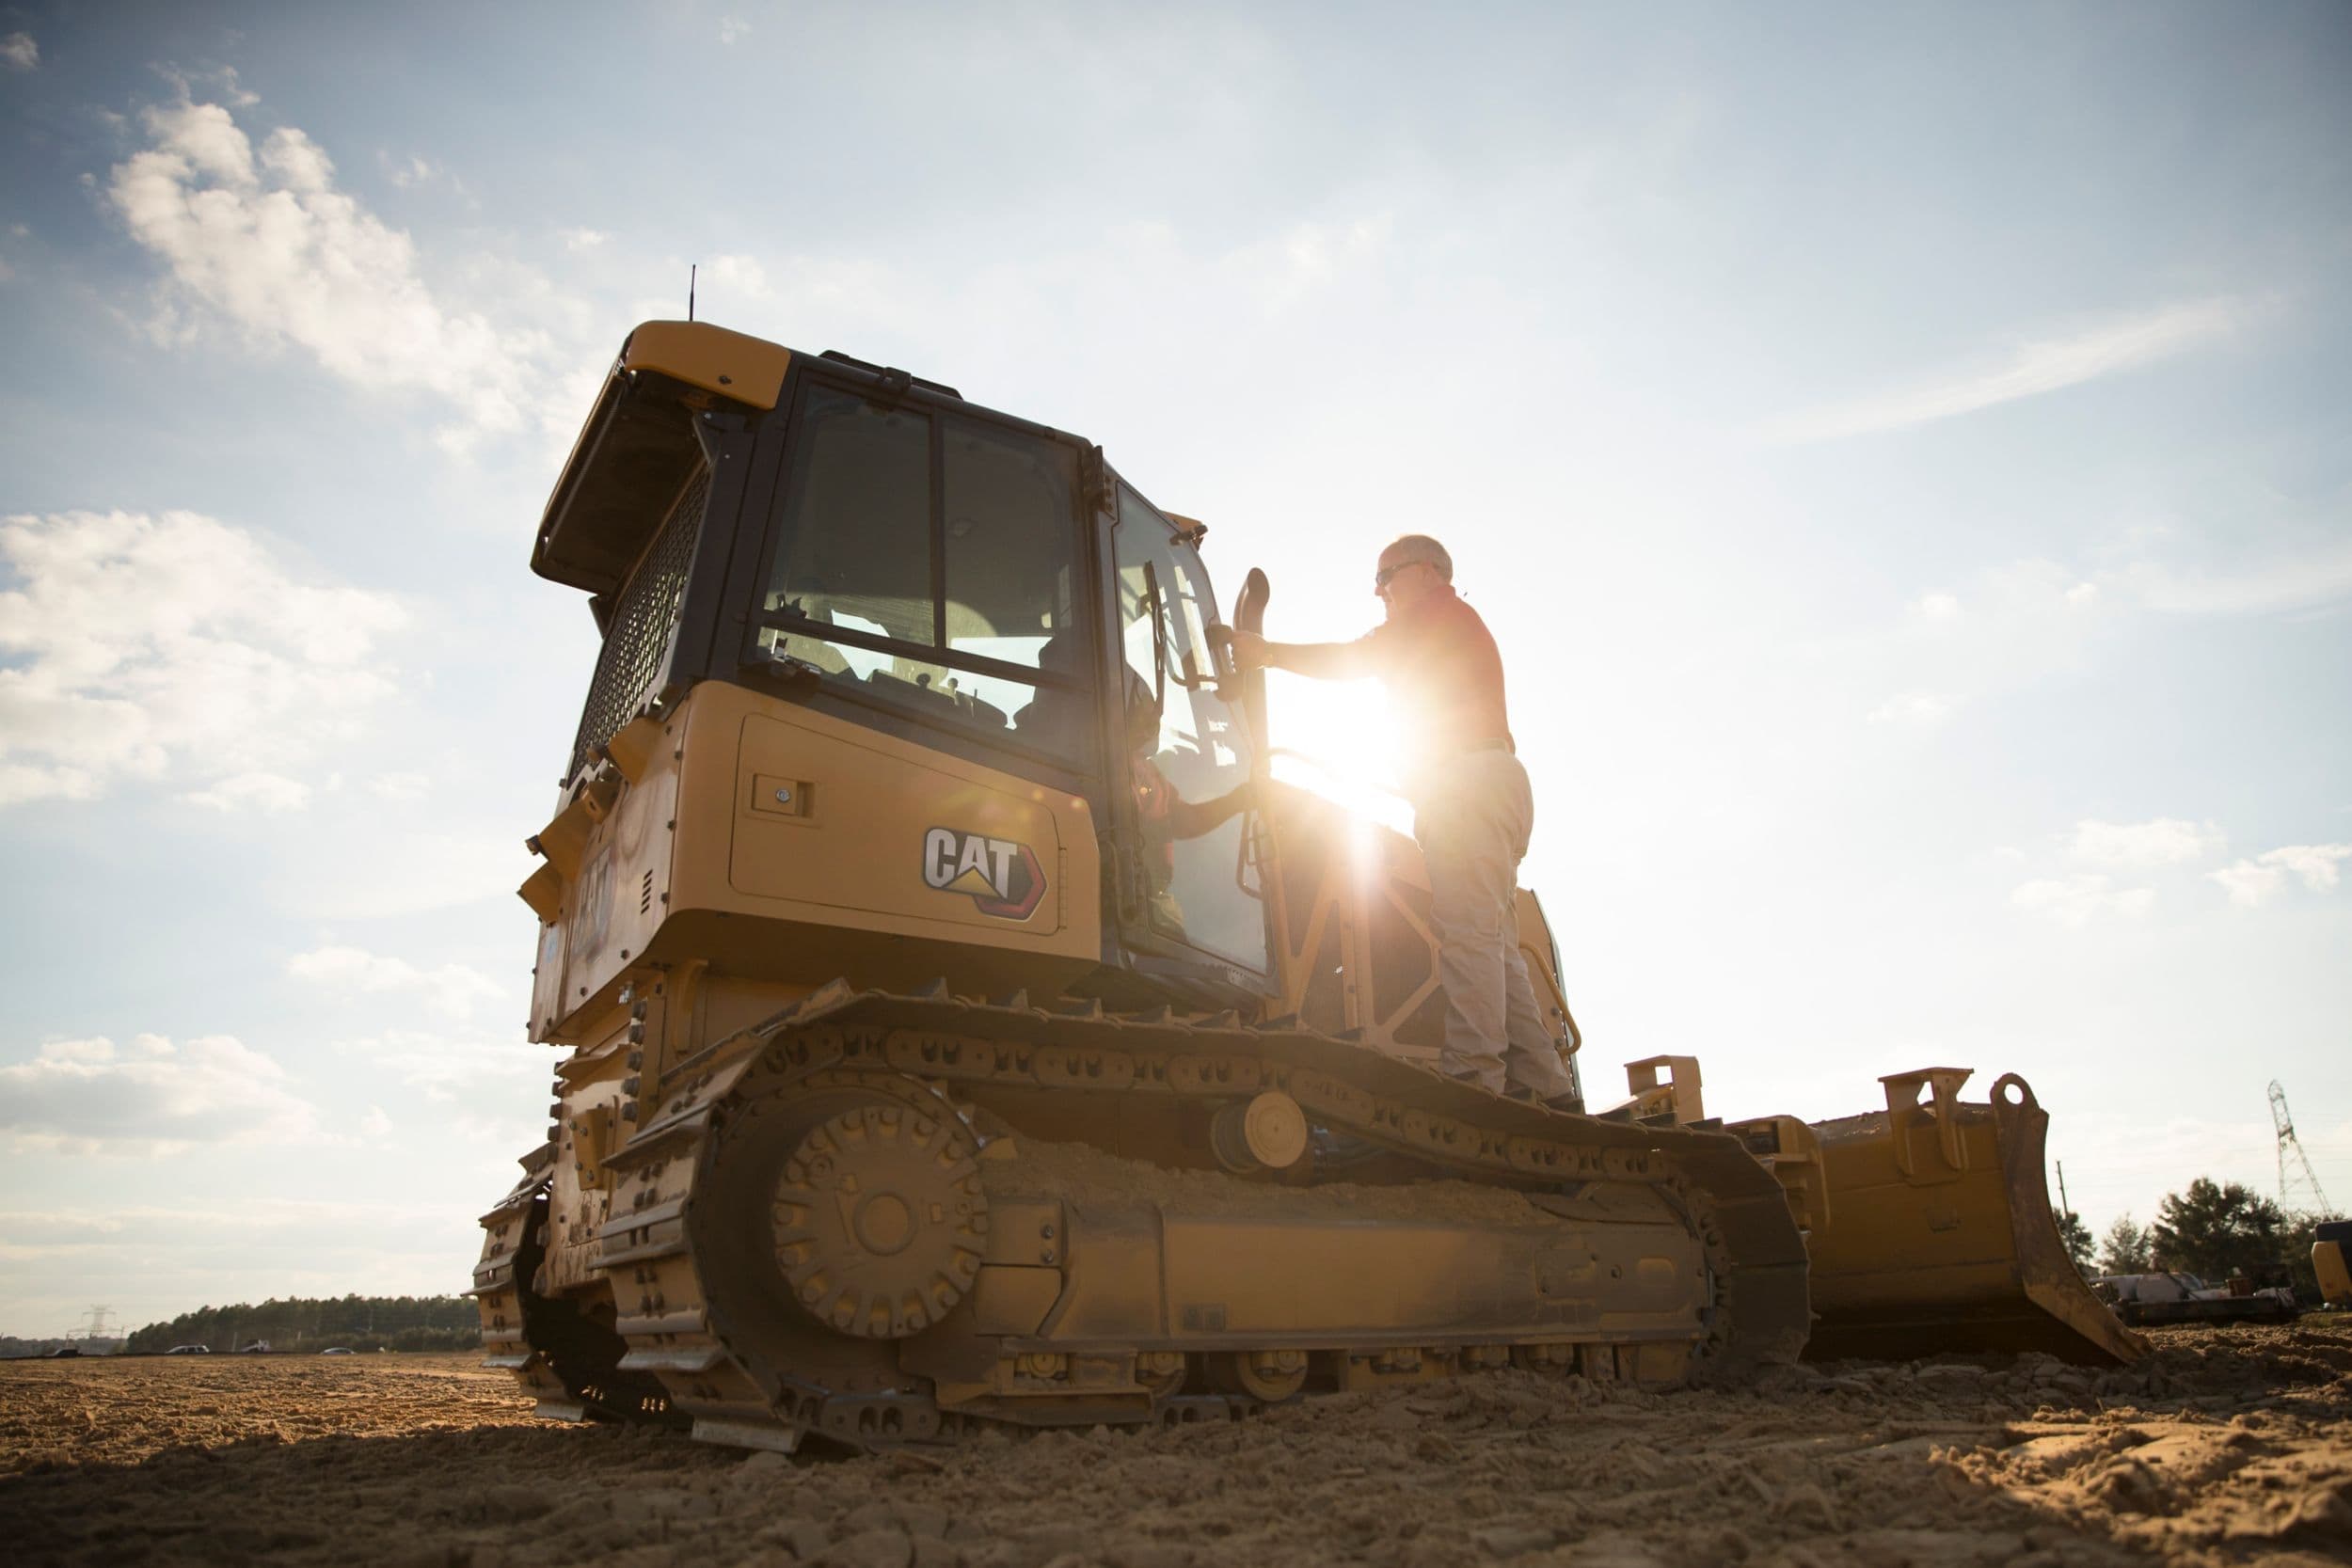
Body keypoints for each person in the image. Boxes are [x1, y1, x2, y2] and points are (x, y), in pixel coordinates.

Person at [1227, 534, 1578, 1107]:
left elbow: (1354, 658)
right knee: (1495, 942)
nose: (1379, 590)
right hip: (1491, 783)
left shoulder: (1435, 614)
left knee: (1467, 936)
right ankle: (1546, 1083)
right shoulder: (1450, 627)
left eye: (1386, 576)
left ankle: (1472, 1079)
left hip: (1466, 784)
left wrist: (1266, 653)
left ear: (1426, 572)